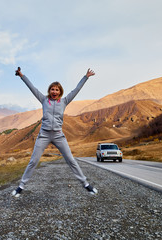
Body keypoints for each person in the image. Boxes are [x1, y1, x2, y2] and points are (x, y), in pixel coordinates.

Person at [11, 67, 97, 198]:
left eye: (57, 89)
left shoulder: (64, 101)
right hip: (44, 135)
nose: (54, 91)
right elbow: (32, 87)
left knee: (71, 160)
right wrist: (21, 75)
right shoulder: (44, 100)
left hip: (58, 135)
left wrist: (85, 77)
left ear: (60, 91)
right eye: (52, 89)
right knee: (33, 161)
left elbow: (76, 90)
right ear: (49, 91)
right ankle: (21, 187)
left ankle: (86, 184)